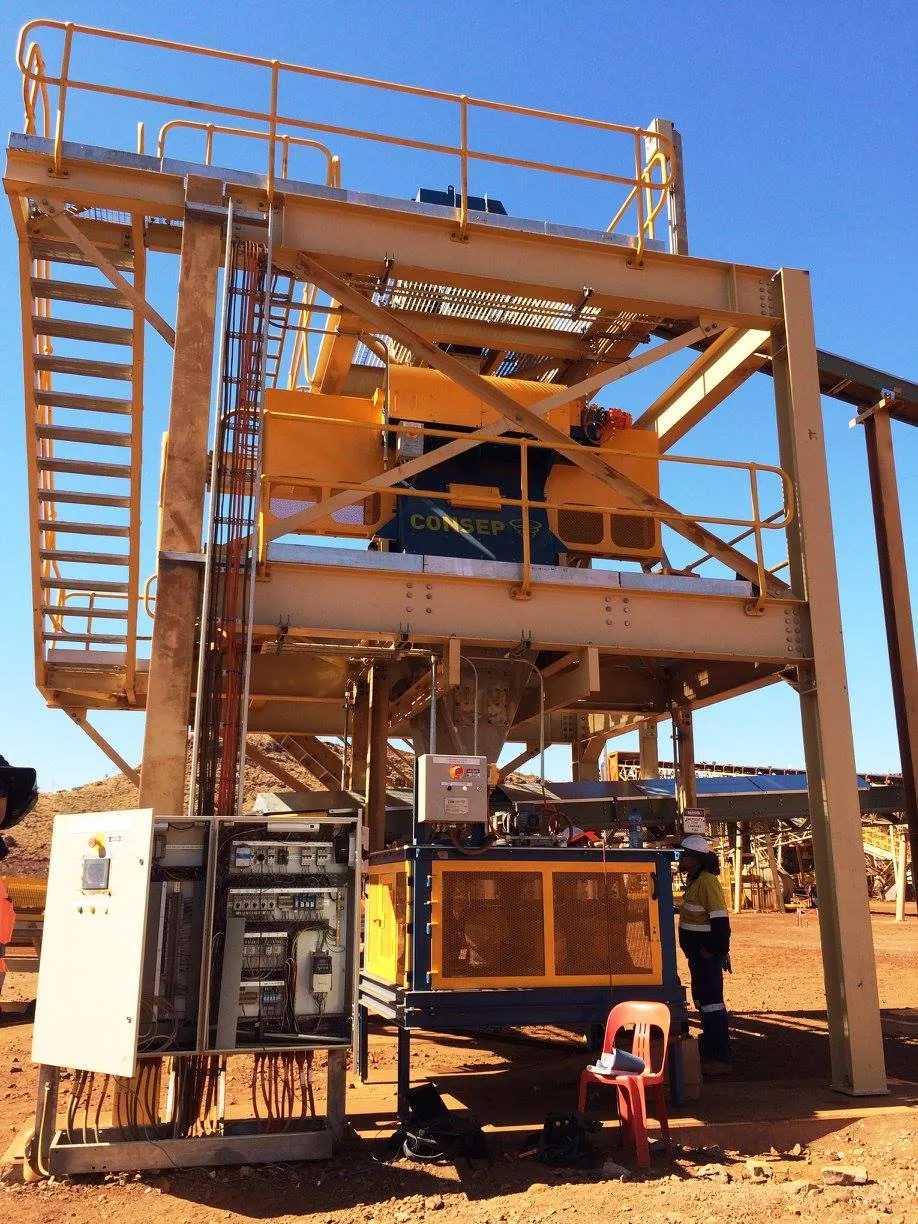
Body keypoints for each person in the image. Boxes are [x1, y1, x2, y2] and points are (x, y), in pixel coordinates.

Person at [677, 834, 731, 1075]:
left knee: (711, 1002)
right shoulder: (695, 880)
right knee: (703, 999)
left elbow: (720, 921)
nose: (681, 858)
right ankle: (710, 1046)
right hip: (699, 955)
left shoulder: (707, 882)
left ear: (695, 859)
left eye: (685, 855)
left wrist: (712, 950)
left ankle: (719, 1055)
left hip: (706, 955)